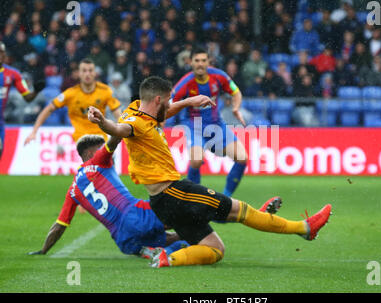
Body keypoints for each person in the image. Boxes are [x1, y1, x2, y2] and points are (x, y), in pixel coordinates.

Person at [87, 76, 332, 268]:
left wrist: (188, 102)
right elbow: (118, 129)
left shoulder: (137, 110)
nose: (172, 104)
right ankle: (304, 229)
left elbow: (158, 115)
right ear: (159, 100)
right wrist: (101, 123)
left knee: (215, 249)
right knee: (239, 210)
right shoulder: (134, 123)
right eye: (170, 100)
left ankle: (168, 259)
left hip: (162, 204)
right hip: (176, 193)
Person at [27, 134, 189, 256]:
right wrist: (123, 125)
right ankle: (189, 242)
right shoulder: (99, 160)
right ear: (91, 153)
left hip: (122, 239)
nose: (107, 152)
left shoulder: (73, 190)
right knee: (187, 216)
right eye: (101, 147)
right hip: (136, 214)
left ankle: (157, 251)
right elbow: (115, 139)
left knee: (171, 239)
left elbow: (59, 226)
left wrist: (43, 250)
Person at [171, 47, 248, 197]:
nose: (200, 64)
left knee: (242, 158)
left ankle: (225, 198)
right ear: (190, 62)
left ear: (209, 62)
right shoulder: (185, 82)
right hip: (195, 126)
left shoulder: (219, 76)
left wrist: (236, 107)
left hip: (217, 125)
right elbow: (170, 102)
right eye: (197, 60)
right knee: (196, 160)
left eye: (203, 60)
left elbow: (236, 91)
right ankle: (195, 199)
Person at [24, 58, 122, 145]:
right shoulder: (70, 94)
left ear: (95, 73)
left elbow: (117, 113)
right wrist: (34, 131)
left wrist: (123, 130)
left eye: (90, 70)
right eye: (84, 70)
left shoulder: (106, 91)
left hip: (100, 139)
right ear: (79, 73)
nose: (87, 73)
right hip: (81, 142)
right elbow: (48, 109)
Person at [0, 42, 45, 159]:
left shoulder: (13, 74)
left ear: (4, 55)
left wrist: (35, 91)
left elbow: (27, 97)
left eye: (1, 52)